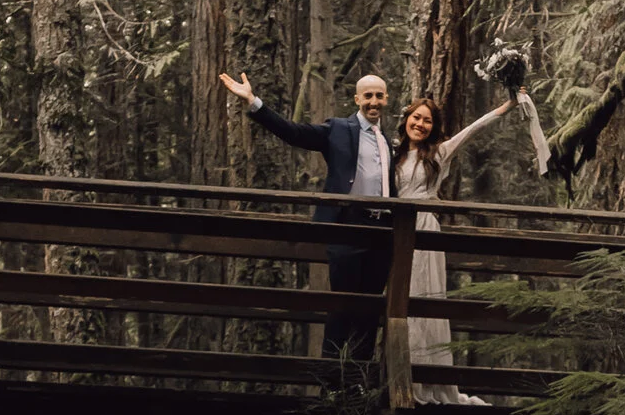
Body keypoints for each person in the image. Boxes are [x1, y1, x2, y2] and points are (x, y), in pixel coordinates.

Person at [221, 65, 395, 363]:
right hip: (347, 226)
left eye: (379, 96)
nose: (374, 102)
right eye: (368, 96)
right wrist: (254, 102)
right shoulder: (338, 129)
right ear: (357, 99)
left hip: (382, 231)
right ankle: (330, 378)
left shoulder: (386, 139)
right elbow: (294, 133)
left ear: (386, 99)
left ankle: (360, 380)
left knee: (369, 311)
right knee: (342, 306)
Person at [393, 77, 553, 396]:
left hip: (423, 228)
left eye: (427, 120)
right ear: (406, 119)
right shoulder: (393, 153)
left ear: (433, 127)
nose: (420, 124)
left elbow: (473, 130)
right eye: (416, 118)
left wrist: (507, 106)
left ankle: (426, 380)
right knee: (397, 299)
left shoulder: (438, 153)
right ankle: (398, 375)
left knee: (423, 294)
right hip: (395, 229)